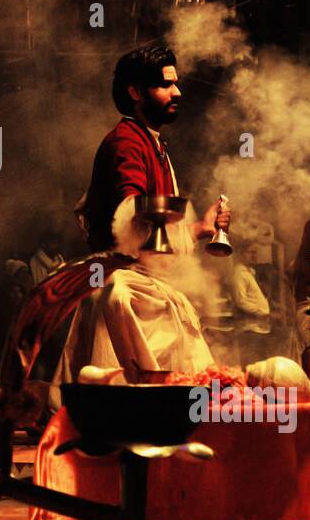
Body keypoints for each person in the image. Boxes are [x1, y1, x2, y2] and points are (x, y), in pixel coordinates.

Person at [53, 45, 229, 401]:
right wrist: (154, 216)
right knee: (145, 402)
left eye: (176, 84)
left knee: (193, 394)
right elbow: (133, 212)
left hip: (147, 280)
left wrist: (201, 229)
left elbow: (158, 233)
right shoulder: (126, 142)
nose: (177, 92)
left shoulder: (152, 142)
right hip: (127, 287)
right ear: (135, 92)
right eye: (165, 85)